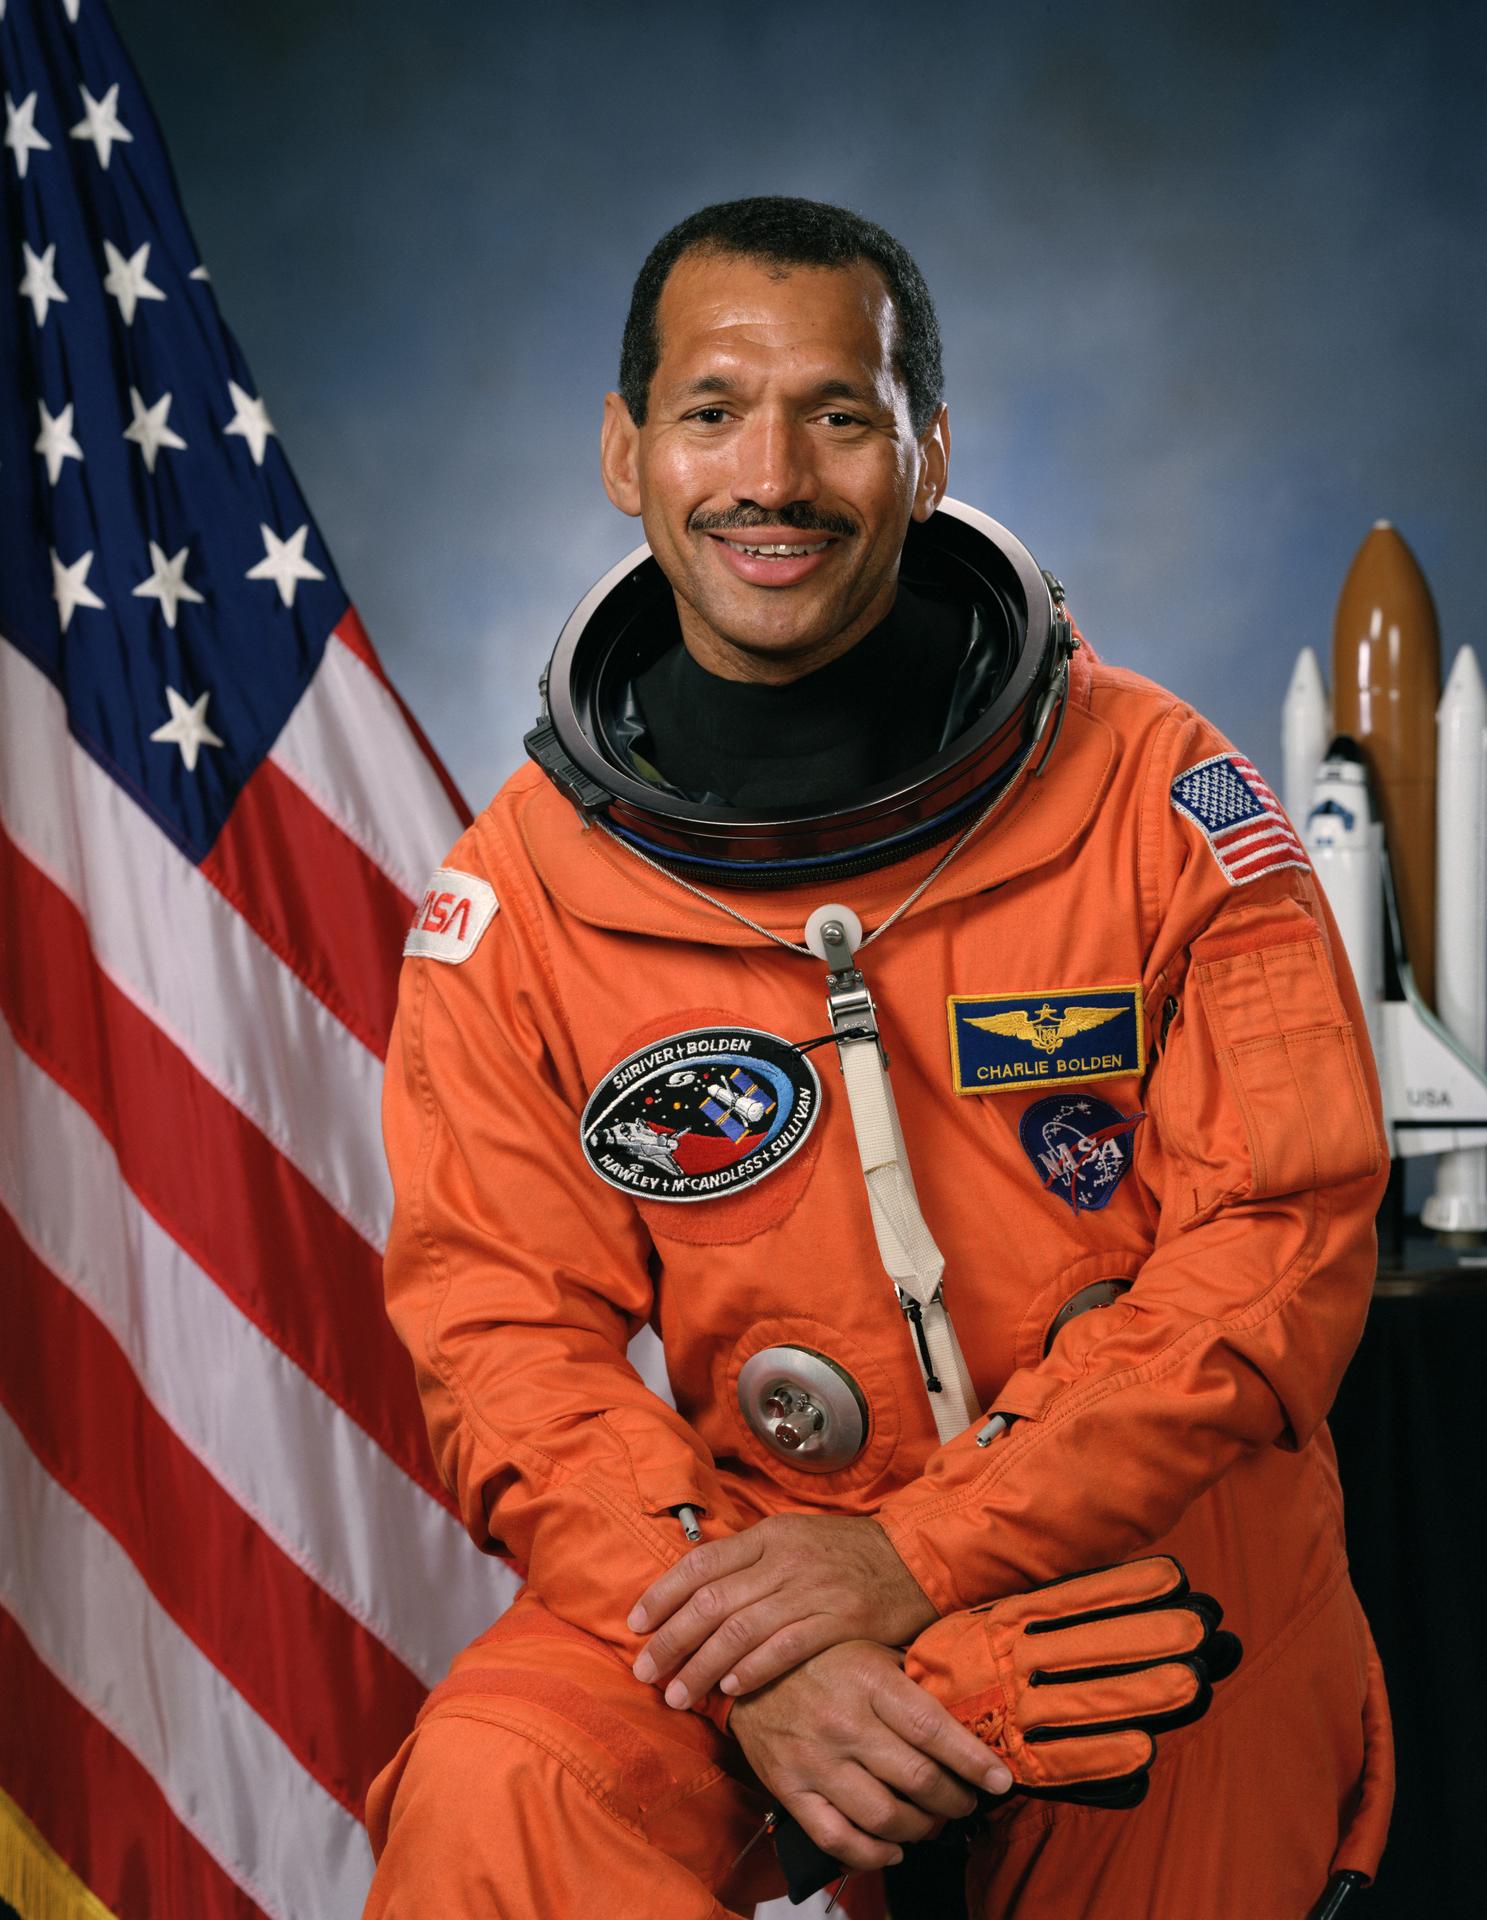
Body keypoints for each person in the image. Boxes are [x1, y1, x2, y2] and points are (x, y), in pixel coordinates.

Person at [362, 197, 1393, 1918]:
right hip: (736, 1551)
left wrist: (916, 1555)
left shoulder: (1153, 799)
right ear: (629, 453)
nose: (770, 474)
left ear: (923, 456)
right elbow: (500, 1335)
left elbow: (1272, 1246)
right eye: (711, 411)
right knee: (501, 1792)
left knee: (1172, 1764)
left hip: (1140, 1546)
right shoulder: (524, 894)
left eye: (837, 413)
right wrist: (747, 1637)